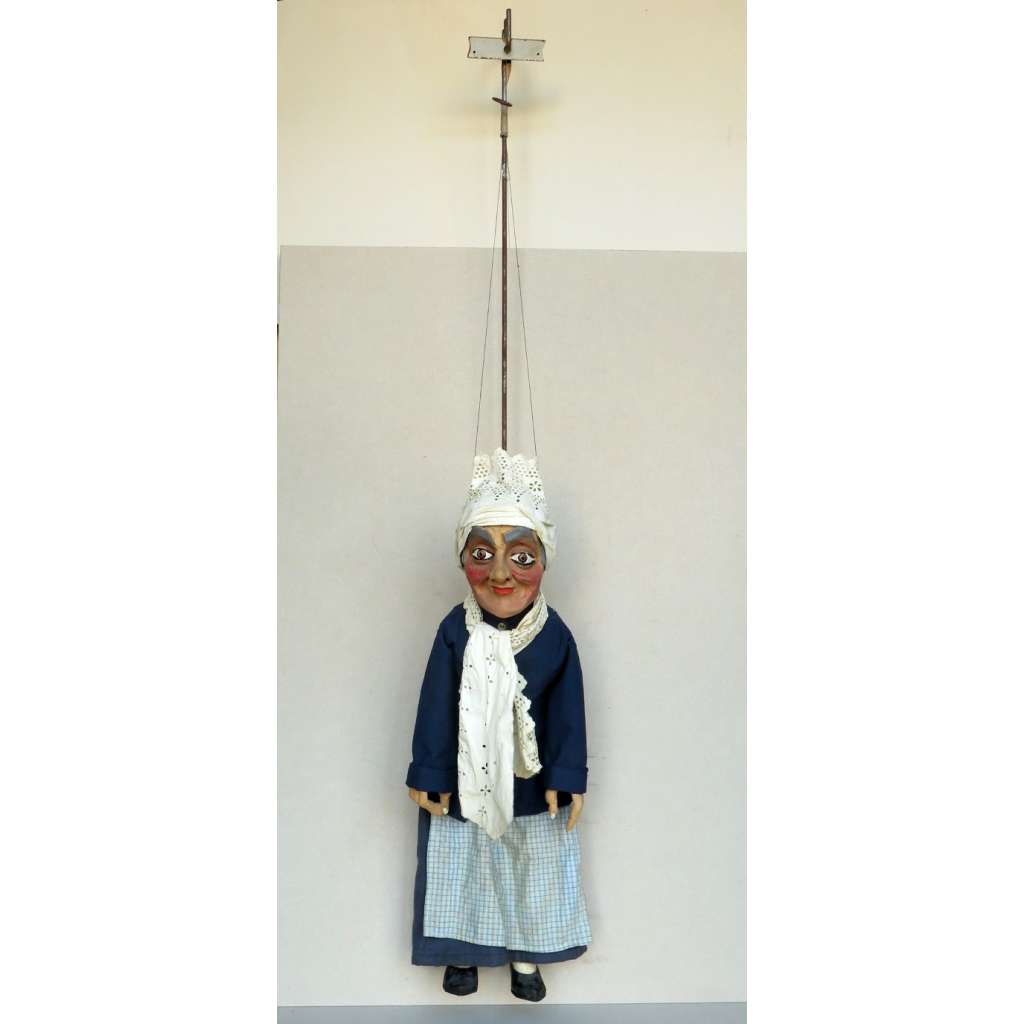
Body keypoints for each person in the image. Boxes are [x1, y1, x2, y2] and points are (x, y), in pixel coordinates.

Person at [406, 449, 591, 1002]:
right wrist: (429, 772)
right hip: (465, 779)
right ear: (463, 559)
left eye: (521, 557)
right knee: (464, 864)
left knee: (530, 867)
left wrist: (567, 777)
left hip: (532, 783)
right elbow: (436, 705)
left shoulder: (553, 636)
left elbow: (567, 711)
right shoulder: (454, 631)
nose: (501, 574)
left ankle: (526, 957)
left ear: (544, 561)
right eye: (483, 554)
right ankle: (462, 952)